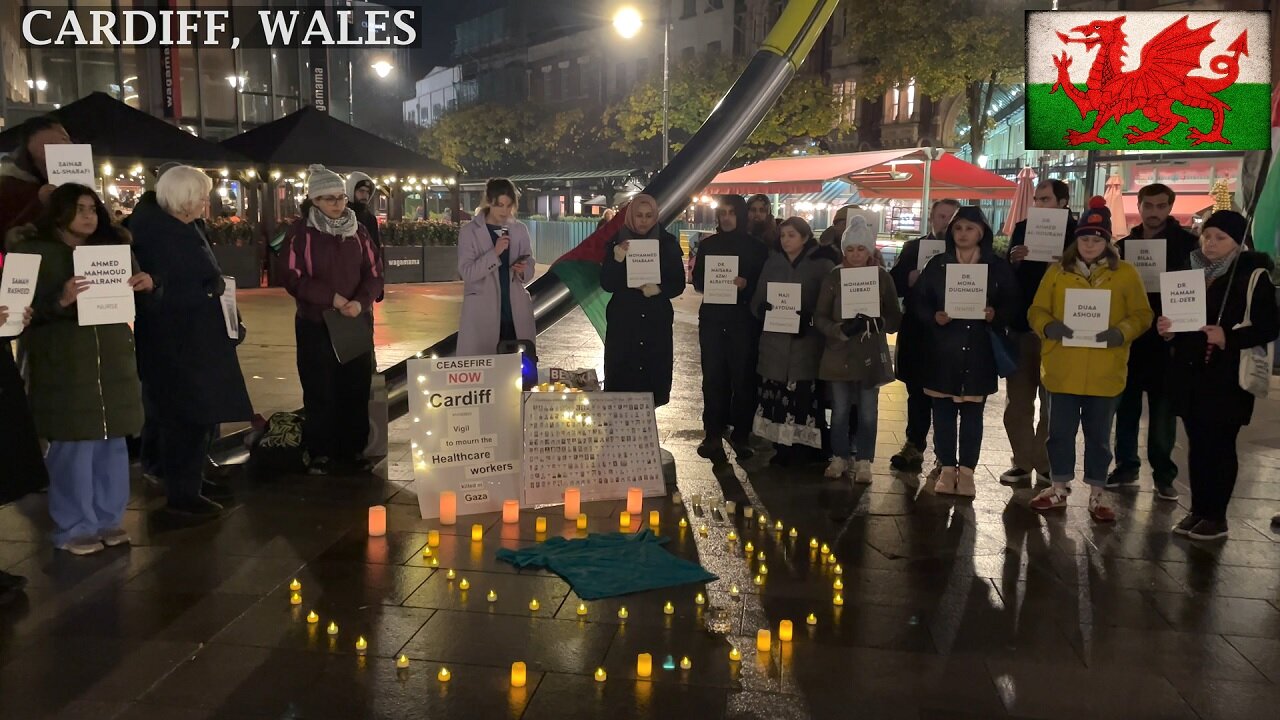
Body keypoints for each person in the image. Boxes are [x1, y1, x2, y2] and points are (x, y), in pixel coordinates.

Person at [12, 184, 153, 554]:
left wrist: (149, 285)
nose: (89, 215)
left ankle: (108, 519)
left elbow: (140, 299)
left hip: (112, 361)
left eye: (93, 208)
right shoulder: (33, 253)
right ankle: (73, 525)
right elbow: (17, 314)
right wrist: (60, 300)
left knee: (112, 443)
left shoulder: (113, 250)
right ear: (58, 213)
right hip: (65, 365)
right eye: (79, 208)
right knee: (74, 446)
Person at [130, 165, 252, 517]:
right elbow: (157, 289)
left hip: (202, 334)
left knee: (200, 414)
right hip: (176, 341)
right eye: (200, 195)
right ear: (183, 198)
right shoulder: (153, 232)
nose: (205, 201)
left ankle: (192, 478)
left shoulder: (188, 226)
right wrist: (204, 290)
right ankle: (182, 490)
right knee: (184, 417)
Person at [1028, 197, 1152, 522]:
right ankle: (1058, 487)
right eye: (1085, 238)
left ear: (1107, 241)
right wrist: (1048, 326)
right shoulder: (1057, 272)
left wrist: (1121, 332)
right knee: (1059, 434)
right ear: (1076, 239)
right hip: (1063, 369)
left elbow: (1142, 314)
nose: (1090, 244)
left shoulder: (1126, 274)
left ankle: (1098, 493)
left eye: (1097, 239)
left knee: (1099, 437)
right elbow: (1036, 310)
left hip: (1105, 372)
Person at [1160, 211, 1278, 541]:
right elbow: (1186, 322)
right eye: (1207, 236)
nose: (1211, 244)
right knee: (1196, 445)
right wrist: (1169, 330)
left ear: (1238, 243)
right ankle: (1199, 510)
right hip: (1192, 374)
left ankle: (1217, 516)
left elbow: (1268, 326)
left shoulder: (1253, 276)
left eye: (1220, 238)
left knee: (1220, 445)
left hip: (1226, 378)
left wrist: (1228, 337)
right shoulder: (1192, 272)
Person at [281, 165, 383, 475]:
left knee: (355, 386)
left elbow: (375, 272)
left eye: (340, 197)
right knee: (319, 388)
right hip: (316, 322)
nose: (338, 205)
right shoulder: (301, 233)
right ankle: (321, 451)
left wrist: (360, 301)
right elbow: (292, 276)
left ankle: (352, 450)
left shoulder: (359, 231)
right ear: (314, 200)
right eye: (329, 199)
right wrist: (332, 299)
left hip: (354, 322)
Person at [912, 206, 1018, 496]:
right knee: (943, 412)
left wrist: (995, 314)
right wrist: (934, 316)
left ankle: (968, 471)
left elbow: (1013, 303)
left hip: (978, 351)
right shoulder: (937, 265)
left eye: (969, 228)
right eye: (958, 228)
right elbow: (919, 301)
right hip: (942, 352)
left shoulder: (997, 267)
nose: (962, 234)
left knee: (973, 413)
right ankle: (947, 468)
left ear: (981, 232)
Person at [1110, 183, 1197, 499]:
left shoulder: (1189, 245)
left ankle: (1163, 474)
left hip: (1168, 339)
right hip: (1132, 338)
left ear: (1170, 208)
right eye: (1149, 205)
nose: (1155, 212)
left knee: (1163, 411)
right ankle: (1126, 466)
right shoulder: (1125, 245)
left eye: (1161, 206)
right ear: (1140, 205)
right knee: (1126, 407)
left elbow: (1194, 291)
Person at [814, 221, 902, 482]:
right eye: (850, 249)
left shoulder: (882, 278)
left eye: (860, 249)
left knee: (867, 410)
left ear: (869, 251)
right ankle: (839, 455)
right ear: (843, 250)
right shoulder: (834, 277)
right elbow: (819, 315)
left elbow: (895, 316)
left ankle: (865, 459)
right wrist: (838, 329)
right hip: (838, 352)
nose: (855, 255)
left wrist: (880, 324)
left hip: (868, 353)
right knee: (840, 409)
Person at [1001, 179, 1076, 486]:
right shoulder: (1022, 227)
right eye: (1036, 199)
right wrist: (1014, 261)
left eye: (1045, 199)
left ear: (1062, 202)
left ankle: (1044, 462)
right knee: (1018, 400)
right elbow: (1009, 278)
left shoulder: (1078, 233)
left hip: (1060, 330)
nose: (1039, 204)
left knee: (1052, 403)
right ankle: (1022, 461)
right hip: (1022, 326)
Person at [752, 217, 835, 465]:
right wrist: (764, 310)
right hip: (774, 345)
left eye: (791, 235)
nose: (786, 240)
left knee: (802, 399)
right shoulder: (772, 263)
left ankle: (806, 449)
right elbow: (757, 300)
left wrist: (808, 322)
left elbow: (828, 308)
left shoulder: (821, 266)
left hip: (805, 346)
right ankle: (781, 447)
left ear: (805, 237)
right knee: (777, 398)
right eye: (783, 235)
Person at [691, 196, 769, 463]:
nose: (726, 218)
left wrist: (746, 284)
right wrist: (709, 282)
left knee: (743, 378)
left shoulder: (756, 248)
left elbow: (763, 285)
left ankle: (742, 435)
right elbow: (698, 281)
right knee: (713, 377)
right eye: (722, 213)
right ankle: (712, 432)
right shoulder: (708, 245)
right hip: (713, 320)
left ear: (742, 215)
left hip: (743, 321)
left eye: (732, 213)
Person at [888, 198, 960, 474]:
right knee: (916, 392)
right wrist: (909, 278)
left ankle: (945, 453)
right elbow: (894, 282)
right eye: (941, 216)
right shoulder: (914, 248)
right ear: (931, 219)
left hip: (950, 333)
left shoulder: (967, 254)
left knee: (947, 395)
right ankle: (914, 444)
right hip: (918, 331)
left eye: (951, 218)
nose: (946, 222)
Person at [600, 194, 686, 406]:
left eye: (648, 215)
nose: (644, 220)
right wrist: (617, 258)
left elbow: (678, 283)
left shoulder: (667, 244)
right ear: (631, 216)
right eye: (639, 215)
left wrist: (658, 289)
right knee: (622, 378)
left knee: (652, 379)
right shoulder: (616, 241)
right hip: (624, 321)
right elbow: (607, 284)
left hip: (655, 321)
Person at [457, 178, 536, 356]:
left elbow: (530, 263)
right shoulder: (470, 232)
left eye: (509, 206)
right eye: (499, 205)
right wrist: (494, 253)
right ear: (489, 202)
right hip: (483, 311)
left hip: (514, 309)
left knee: (519, 367)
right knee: (486, 368)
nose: (504, 211)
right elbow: (467, 272)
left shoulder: (519, 229)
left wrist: (524, 269)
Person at [0, 116, 70, 242]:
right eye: (50, 146)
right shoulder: (8, 187)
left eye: (66, 140)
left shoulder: (73, 184)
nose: (66, 148)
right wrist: (40, 203)